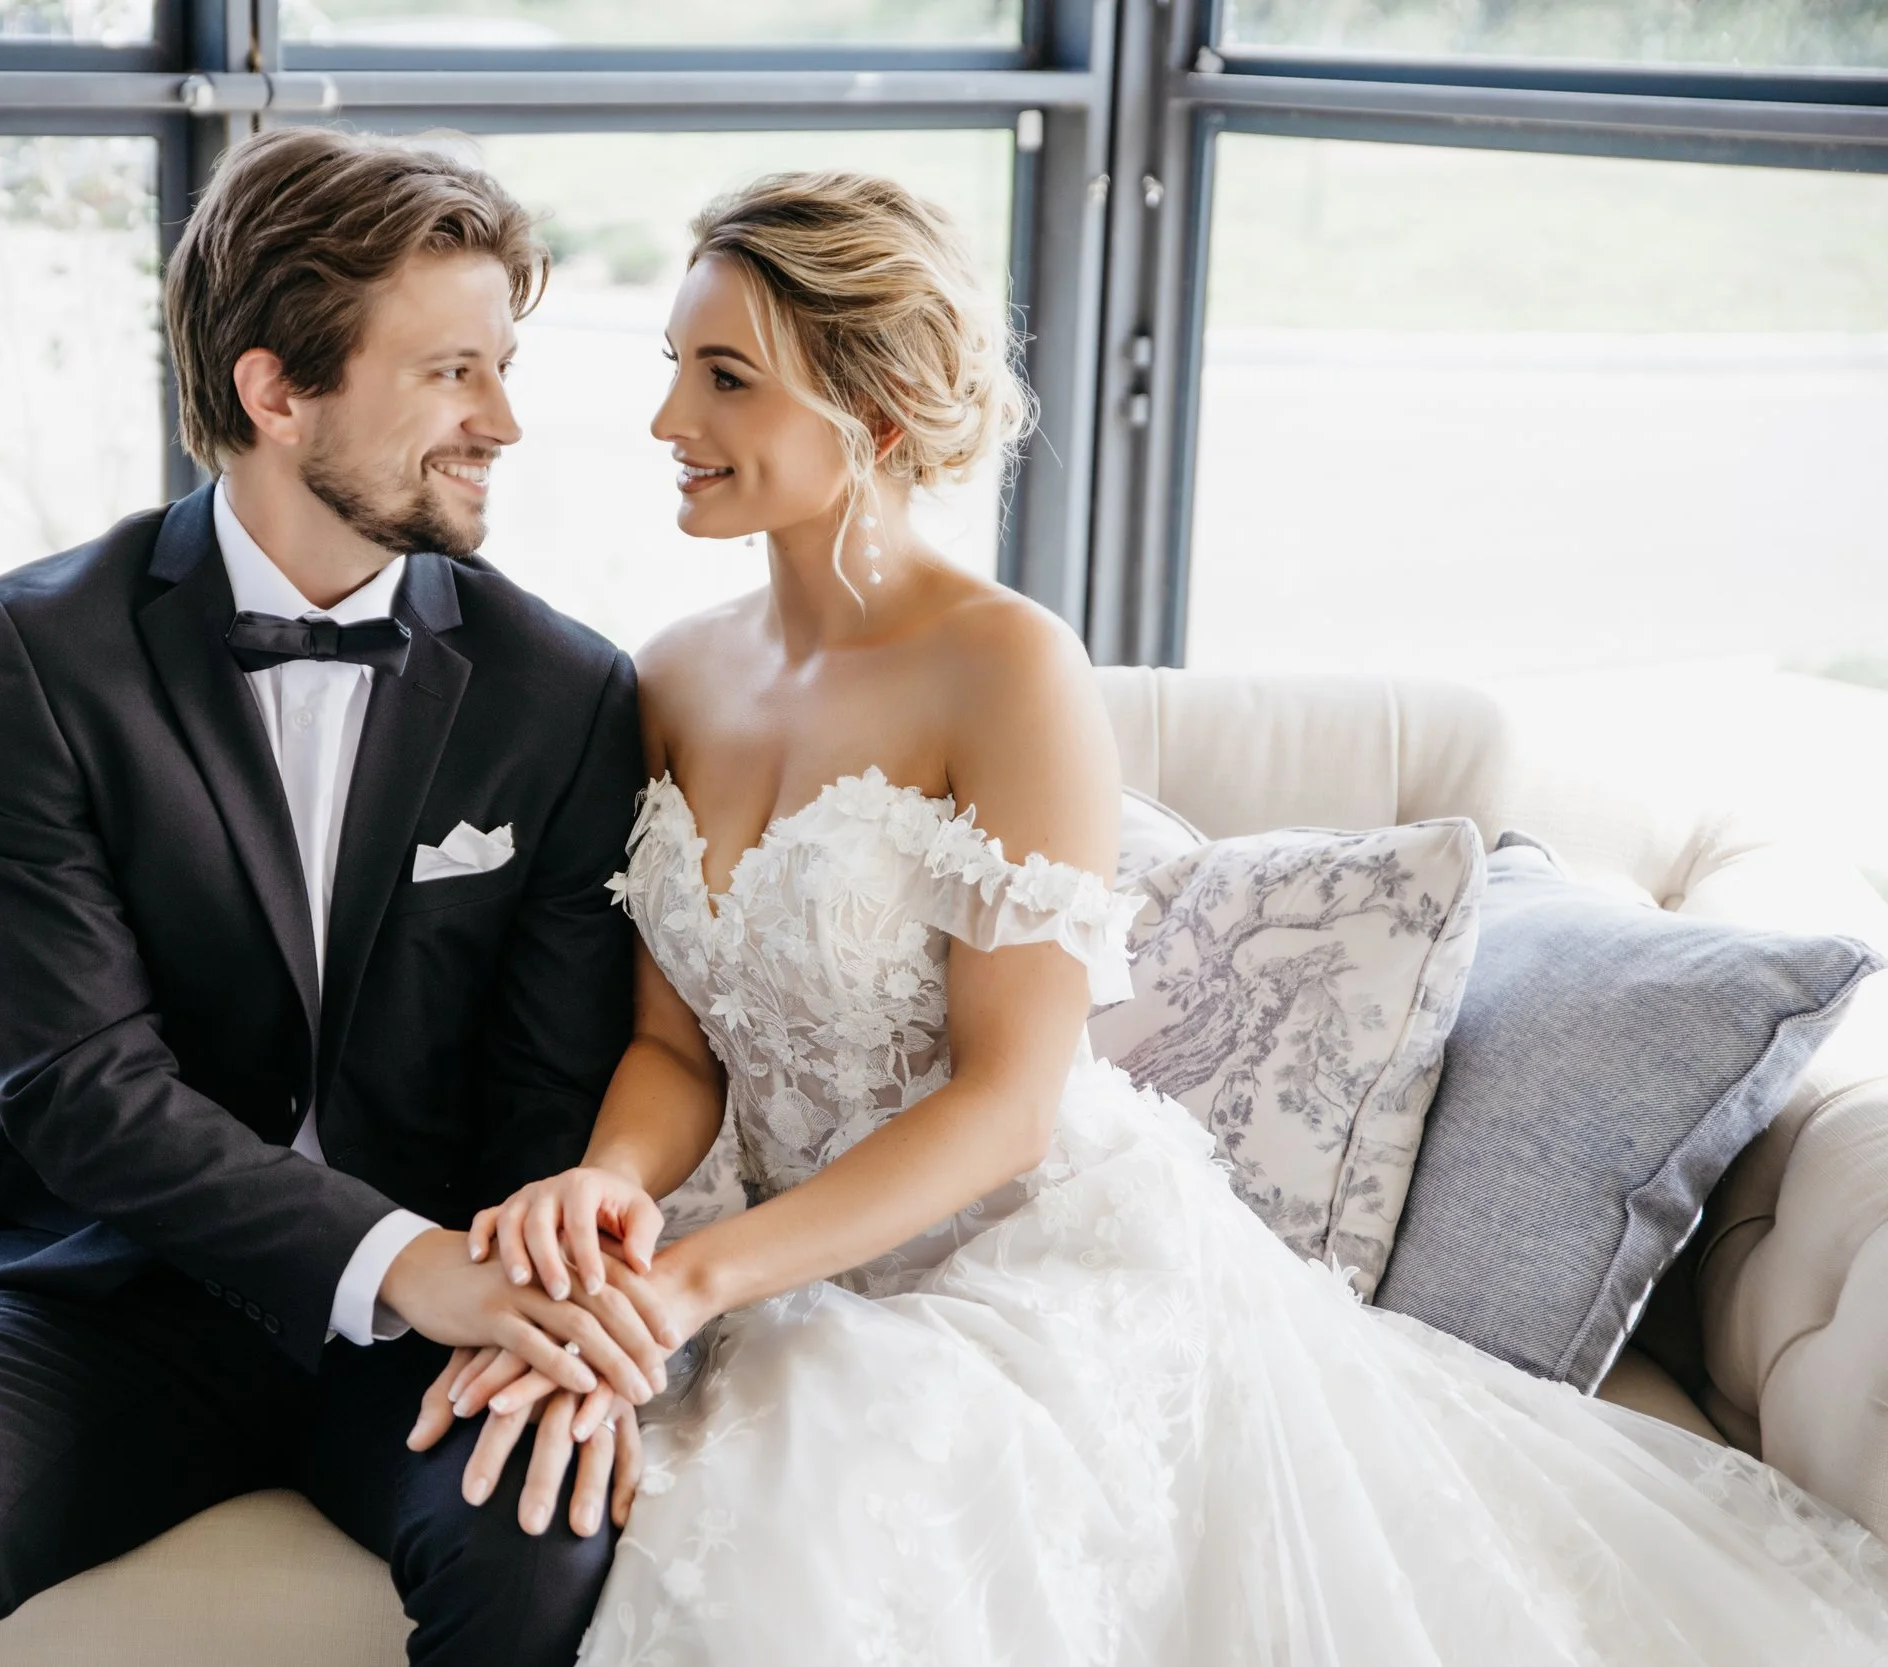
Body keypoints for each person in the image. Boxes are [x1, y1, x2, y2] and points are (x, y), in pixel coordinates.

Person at [406, 171, 1888, 1663]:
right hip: (734, 1240)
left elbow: (1003, 1102)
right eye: (674, 366)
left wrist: (695, 1278)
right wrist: (608, 1186)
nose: (670, 421)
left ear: (880, 413)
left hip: (1000, 1258)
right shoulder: (667, 674)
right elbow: (676, 1047)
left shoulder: (1008, 672)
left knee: (828, 1523)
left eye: (724, 377)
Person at [0, 126, 676, 1667]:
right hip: (110, 1286)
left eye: (500, 367)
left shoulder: (564, 690)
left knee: (543, 1540)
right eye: (452, 371)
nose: (501, 420)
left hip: (447, 1302)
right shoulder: (36, 652)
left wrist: (524, 1304)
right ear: (275, 388)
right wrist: (397, 1260)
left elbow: (548, 1085)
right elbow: (80, 1084)